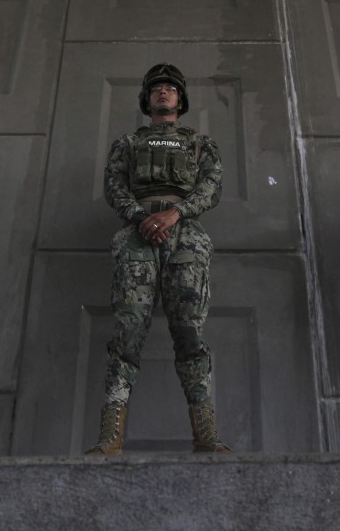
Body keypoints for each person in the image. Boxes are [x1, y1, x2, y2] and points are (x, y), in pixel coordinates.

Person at [85, 63, 232, 454]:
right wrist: (141, 217)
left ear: (180, 99)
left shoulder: (201, 144)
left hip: (185, 237)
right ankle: (110, 437)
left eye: (170, 89)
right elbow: (113, 187)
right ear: (147, 100)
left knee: (190, 333)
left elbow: (211, 189)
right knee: (128, 332)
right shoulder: (128, 144)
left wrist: (175, 214)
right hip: (137, 234)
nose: (163, 93)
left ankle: (206, 436)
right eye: (156, 89)